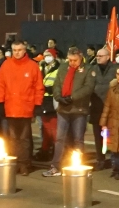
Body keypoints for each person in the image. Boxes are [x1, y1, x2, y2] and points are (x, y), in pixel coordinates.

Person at [41, 46, 96, 177]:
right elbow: (57, 85)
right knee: (60, 138)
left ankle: (78, 166)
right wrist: (59, 97)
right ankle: (56, 166)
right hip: (63, 109)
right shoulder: (63, 68)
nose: (72, 63)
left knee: (78, 139)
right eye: (70, 60)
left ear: (80, 57)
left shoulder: (88, 69)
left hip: (79, 109)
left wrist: (72, 97)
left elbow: (88, 88)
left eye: (74, 60)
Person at [0, 40, 44, 172]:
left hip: (26, 108)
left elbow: (38, 87)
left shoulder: (32, 66)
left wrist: (37, 104)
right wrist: (0, 102)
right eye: (15, 50)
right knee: (12, 138)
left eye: (19, 50)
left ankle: (24, 164)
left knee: (24, 138)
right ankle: (14, 163)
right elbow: (0, 86)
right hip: (10, 107)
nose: (17, 53)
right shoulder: (6, 65)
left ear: (24, 50)